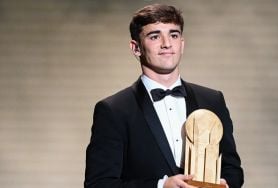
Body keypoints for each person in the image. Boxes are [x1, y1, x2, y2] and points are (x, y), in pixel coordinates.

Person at [84, 4, 244, 188]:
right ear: (136, 48)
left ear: (182, 44)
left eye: (173, 35)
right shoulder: (114, 110)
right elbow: (98, 184)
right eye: (154, 36)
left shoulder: (212, 100)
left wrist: (223, 184)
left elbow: (233, 171)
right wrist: (161, 186)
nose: (167, 44)